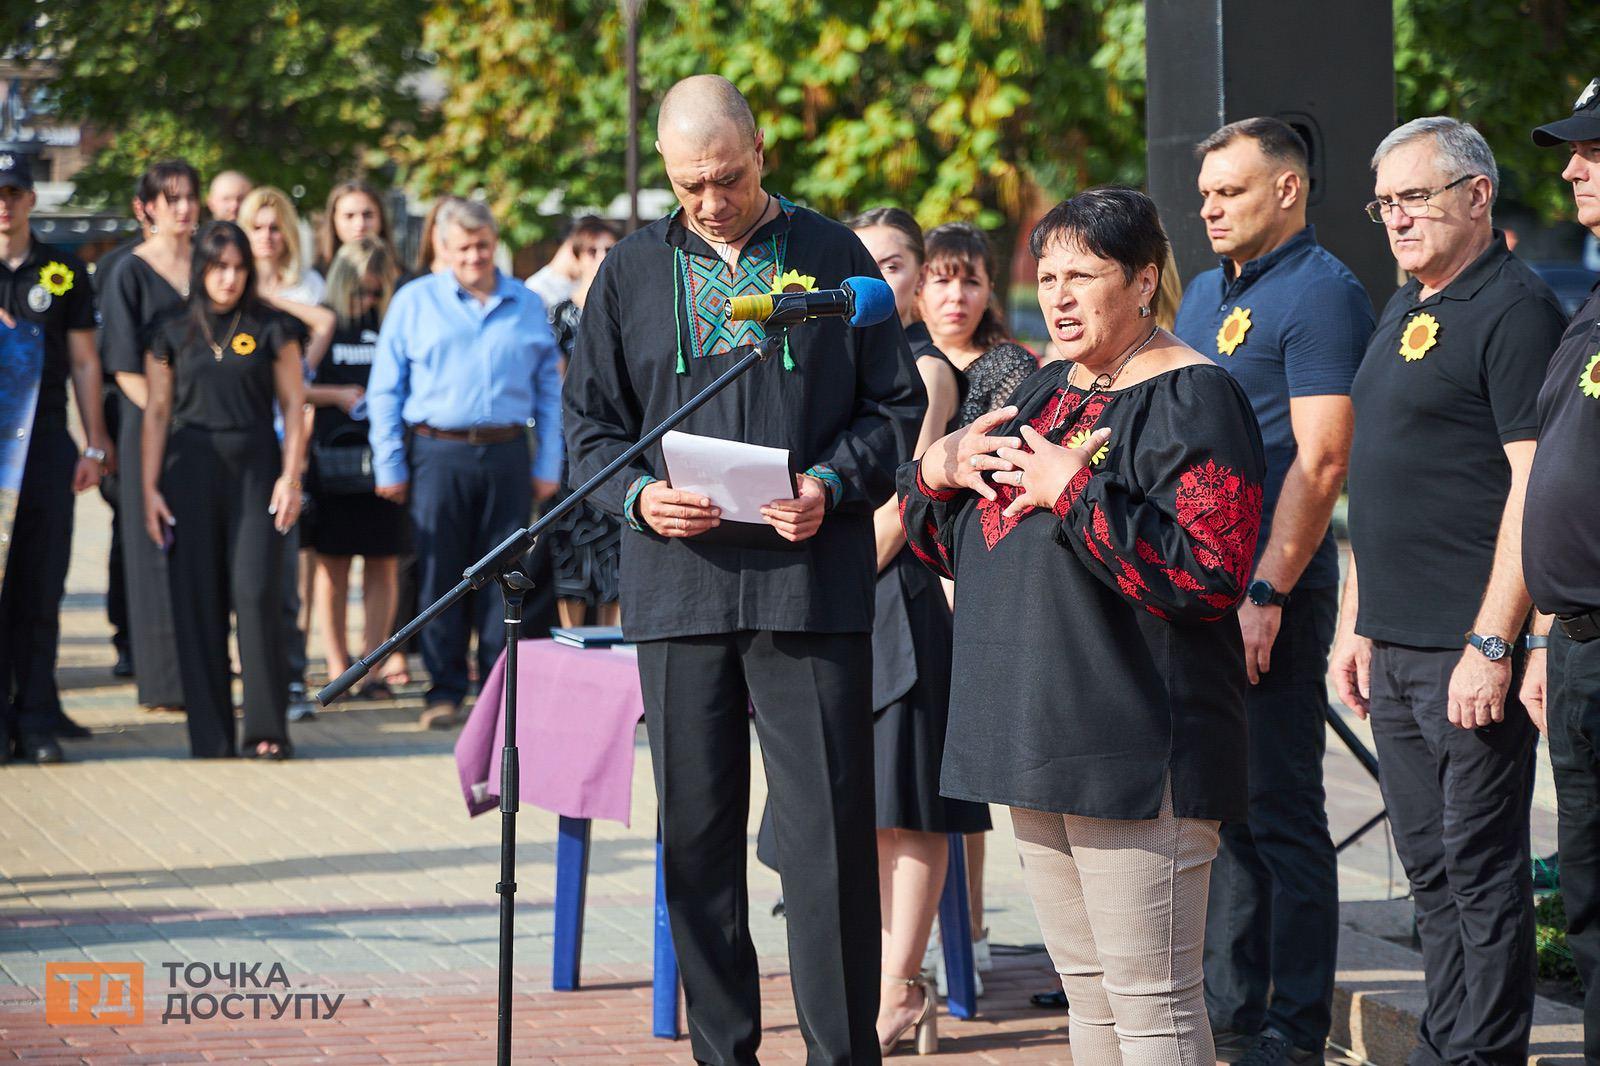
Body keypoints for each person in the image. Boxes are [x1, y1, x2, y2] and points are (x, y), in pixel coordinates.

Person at [564, 75, 922, 1064]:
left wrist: (831, 484)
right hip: (678, 589)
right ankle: (722, 1051)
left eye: (724, 178)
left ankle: (843, 1051)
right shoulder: (634, 269)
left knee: (829, 841)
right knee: (698, 843)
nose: (710, 203)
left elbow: (893, 408)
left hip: (809, 585)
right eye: (688, 188)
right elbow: (588, 427)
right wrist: (638, 495)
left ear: (762, 151)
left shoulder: (835, 257)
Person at [900, 185, 1264, 1062]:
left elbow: (1209, 573)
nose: (1058, 296)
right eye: (1048, 274)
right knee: (1091, 1003)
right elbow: (956, 544)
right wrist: (941, 467)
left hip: (1138, 747)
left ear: (1144, 282)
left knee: (1154, 1007)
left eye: (1084, 275)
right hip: (1038, 737)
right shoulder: (1045, 387)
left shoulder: (1194, 395)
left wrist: (1070, 487)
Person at [1331, 117, 1567, 1066]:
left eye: (1414, 197)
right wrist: (1355, 623)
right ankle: (1447, 1042)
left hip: (1468, 649)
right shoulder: (1404, 306)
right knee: (1428, 868)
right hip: (1393, 645)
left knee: (1478, 868)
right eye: (1384, 203)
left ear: (1477, 195)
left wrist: (1497, 640)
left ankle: (1483, 1053)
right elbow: (1375, 482)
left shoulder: (1516, 310)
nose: (1395, 218)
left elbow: (1533, 486)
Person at [1175, 116, 1375, 1066]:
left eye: (1231, 192)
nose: (1209, 208)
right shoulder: (1209, 290)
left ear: (1287, 190)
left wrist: (1268, 587)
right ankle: (1231, 1013)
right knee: (1221, 811)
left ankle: (1294, 1028)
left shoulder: (1323, 294)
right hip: (1196, 594)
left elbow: (1325, 457)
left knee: (1282, 810)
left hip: (1270, 596)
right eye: (1206, 192)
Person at [850, 205, 992, 1053]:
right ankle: (877, 978)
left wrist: (833, 571)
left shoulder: (924, 369)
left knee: (910, 807)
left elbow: (916, 494)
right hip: (836, 602)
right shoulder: (832, 355)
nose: (877, 279)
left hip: (896, 595)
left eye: (896, 264)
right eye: (861, 264)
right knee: (859, 806)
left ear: (920, 272)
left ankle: (903, 987)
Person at [367, 198, 563, 730]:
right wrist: (390, 465)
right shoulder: (415, 302)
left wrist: (549, 461)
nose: (474, 256)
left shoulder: (524, 302)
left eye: (483, 245)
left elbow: (549, 390)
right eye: (463, 247)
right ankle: (444, 689)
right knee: (440, 571)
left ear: (494, 243)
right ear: (444, 248)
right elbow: (385, 388)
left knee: (506, 573)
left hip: (506, 454)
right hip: (437, 452)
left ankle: (495, 690)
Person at [141, 221, 307, 759]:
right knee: (198, 600)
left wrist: (291, 475)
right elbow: (158, 411)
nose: (229, 278)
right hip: (188, 476)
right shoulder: (171, 329)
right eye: (218, 267)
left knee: (256, 595)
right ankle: (209, 735)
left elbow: (294, 406)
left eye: (238, 267)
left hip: (256, 473)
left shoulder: (272, 326)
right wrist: (147, 488)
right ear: (201, 269)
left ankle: (265, 730)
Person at [1521, 76, 1600, 1064]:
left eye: (1594, 148)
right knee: (1587, 896)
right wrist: (1544, 626)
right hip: (1575, 647)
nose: (1574, 167)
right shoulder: (1588, 302)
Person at [0, 152, 114, 764]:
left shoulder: (63, 270)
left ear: (31, 199)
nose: (4, 204)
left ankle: (38, 718)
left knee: (41, 592)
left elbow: (86, 362)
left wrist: (94, 443)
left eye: (14, 192)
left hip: (43, 441)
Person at [100, 160, 198, 716]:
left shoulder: (213, 266)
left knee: (199, 548)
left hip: (204, 428)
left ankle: (204, 670)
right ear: (148, 207)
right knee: (153, 548)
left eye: (190, 198)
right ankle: (163, 684)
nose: (183, 208)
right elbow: (121, 366)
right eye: (171, 199)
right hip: (151, 425)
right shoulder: (127, 272)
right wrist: (169, 412)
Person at [306, 237, 410, 695]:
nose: (368, 299)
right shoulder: (324, 323)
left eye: (375, 290)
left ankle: (373, 661)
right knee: (333, 566)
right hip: (333, 461)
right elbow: (292, 387)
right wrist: (338, 396)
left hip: (385, 461)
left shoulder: (393, 321)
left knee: (384, 564)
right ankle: (336, 663)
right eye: (360, 291)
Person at [544, 216, 621, 629]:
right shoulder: (559, 315)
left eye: (609, 249)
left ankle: (615, 640)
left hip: (621, 443)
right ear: (576, 256)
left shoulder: (628, 309)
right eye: (593, 250)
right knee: (571, 550)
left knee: (615, 553)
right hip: (572, 445)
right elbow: (553, 383)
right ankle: (572, 641)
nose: (602, 258)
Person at [919, 221, 1037, 427]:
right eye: (942, 281)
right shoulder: (894, 357)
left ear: (988, 292)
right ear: (918, 286)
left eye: (971, 282)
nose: (957, 296)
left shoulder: (1011, 364)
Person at [315, 180, 396, 272]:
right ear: (333, 221)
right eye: (349, 216)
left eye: (368, 215)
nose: (360, 225)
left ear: (381, 218)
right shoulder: (316, 281)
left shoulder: (404, 281)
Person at [525, 219, 581, 310]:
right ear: (572, 245)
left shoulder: (584, 282)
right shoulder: (537, 287)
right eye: (592, 251)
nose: (600, 257)